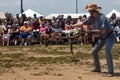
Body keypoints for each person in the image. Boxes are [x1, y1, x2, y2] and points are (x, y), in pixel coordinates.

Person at [66, 2, 116, 77]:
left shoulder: (102, 17)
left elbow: (103, 31)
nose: (89, 12)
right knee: (94, 51)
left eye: (89, 11)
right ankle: (97, 68)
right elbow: (82, 23)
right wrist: (71, 26)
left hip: (109, 36)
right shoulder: (91, 18)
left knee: (107, 51)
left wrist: (89, 31)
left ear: (94, 11)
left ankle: (110, 71)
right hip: (102, 37)